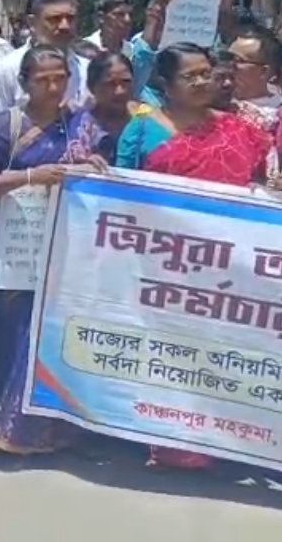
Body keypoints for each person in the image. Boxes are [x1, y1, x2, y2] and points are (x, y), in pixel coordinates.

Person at [116, 43, 273, 470]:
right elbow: (118, 192)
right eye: (191, 76)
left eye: (207, 72)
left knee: (221, 352)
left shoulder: (240, 129)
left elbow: (260, 186)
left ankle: (224, 442)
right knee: (169, 352)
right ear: (166, 85)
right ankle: (168, 442)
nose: (203, 82)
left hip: (227, 271)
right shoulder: (143, 129)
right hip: (165, 266)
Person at [0, 46, 102, 455]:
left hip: (66, 249)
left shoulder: (82, 124)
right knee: (19, 336)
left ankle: (57, 433)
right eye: (43, 80)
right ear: (24, 83)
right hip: (18, 248)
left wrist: (94, 166)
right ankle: (10, 430)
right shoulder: (8, 125)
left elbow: (97, 173)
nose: (53, 88)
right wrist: (34, 175)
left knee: (56, 338)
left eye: (60, 79)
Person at [84, 51, 138, 162]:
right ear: (91, 87)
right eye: (110, 84)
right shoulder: (77, 128)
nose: (120, 91)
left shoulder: (146, 118)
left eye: (126, 82)